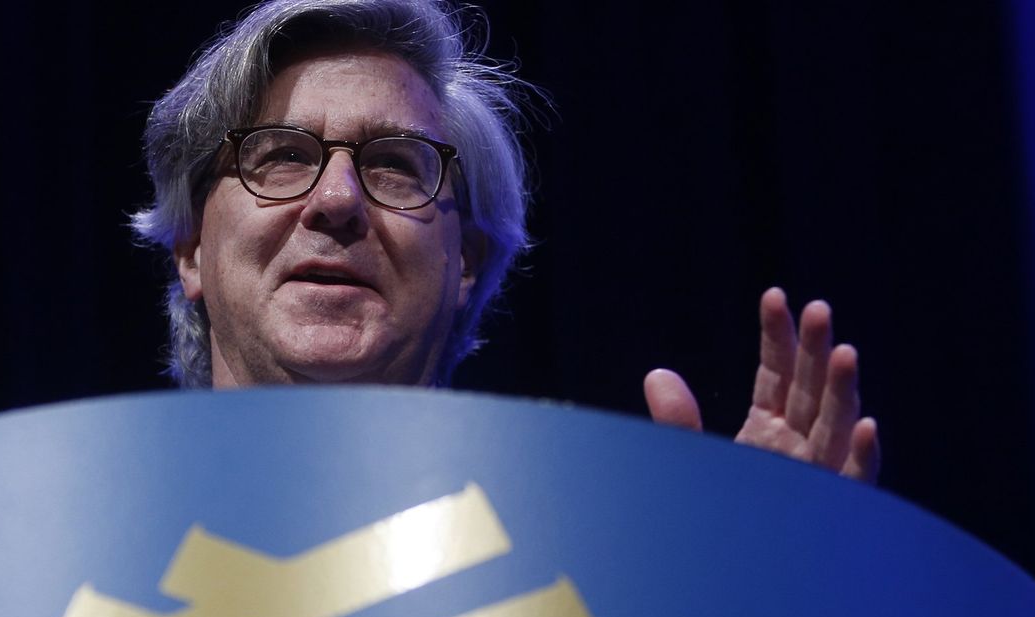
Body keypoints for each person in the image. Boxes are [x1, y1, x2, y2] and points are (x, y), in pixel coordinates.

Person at [133, 0, 879, 482]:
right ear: (192, 246)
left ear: (469, 262)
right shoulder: (62, 535)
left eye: (396, 167)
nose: (336, 201)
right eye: (283, 156)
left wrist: (762, 577)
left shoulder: (601, 558)